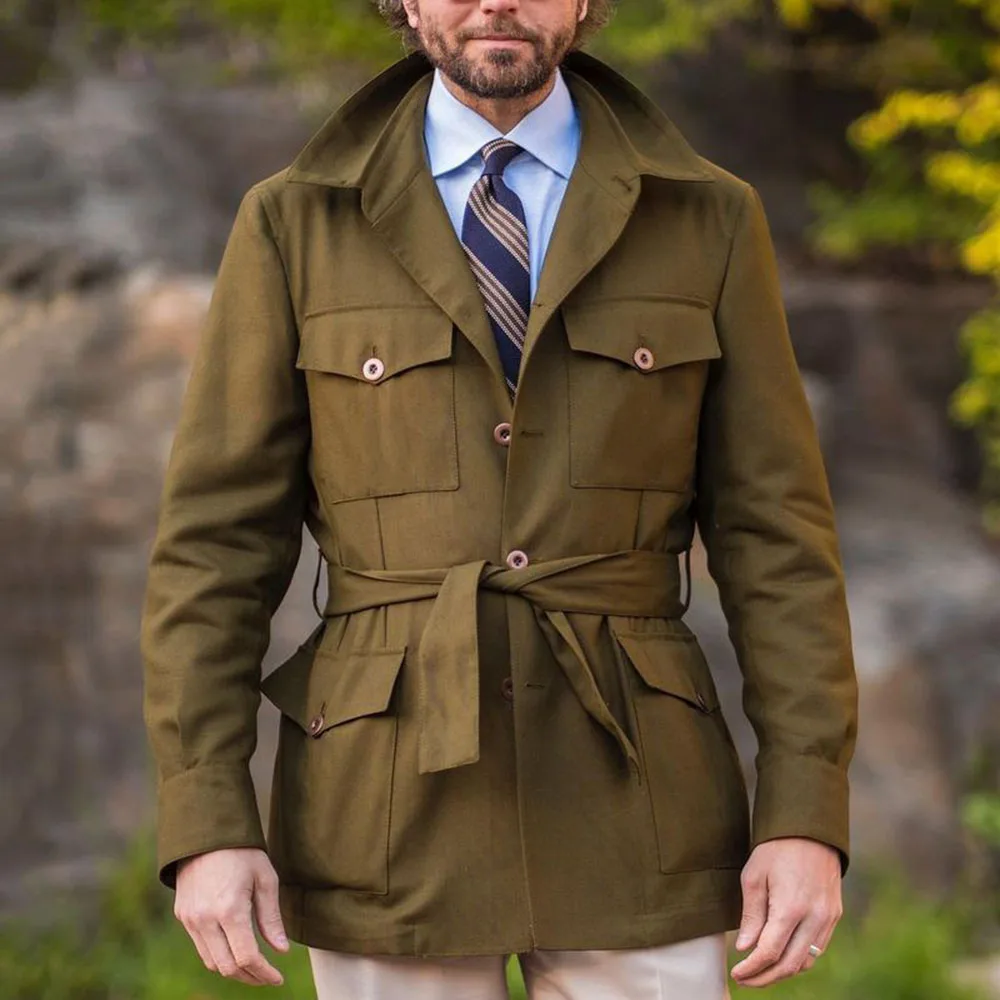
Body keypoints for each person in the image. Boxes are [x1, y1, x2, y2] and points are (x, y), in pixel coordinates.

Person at [139, 0, 860, 996]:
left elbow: (777, 542)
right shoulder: (296, 218)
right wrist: (208, 819)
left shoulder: (706, 216)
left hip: (641, 806)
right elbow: (214, 551)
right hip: (384, 810)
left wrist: (804, 813)